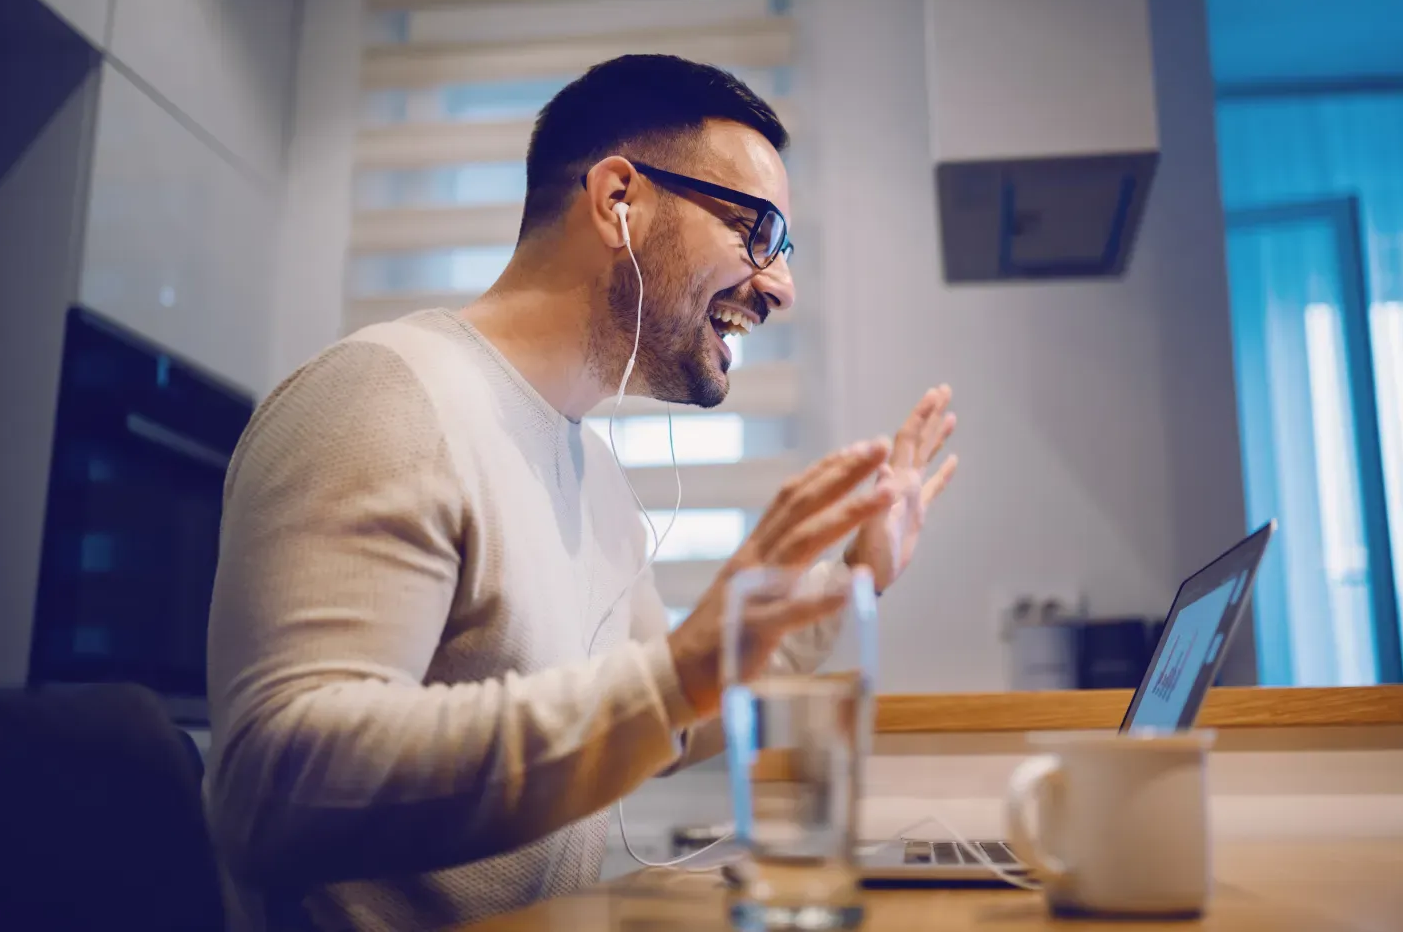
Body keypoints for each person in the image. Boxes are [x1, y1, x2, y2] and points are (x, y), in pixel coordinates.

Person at [205, 54, 959, 932]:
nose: (780, 285)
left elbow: (665, 723)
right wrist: (676, 674)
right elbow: (276, 790)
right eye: (758, 232)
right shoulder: (382, 396)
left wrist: (850, 584)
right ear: (617, 202)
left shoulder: (595, 476)